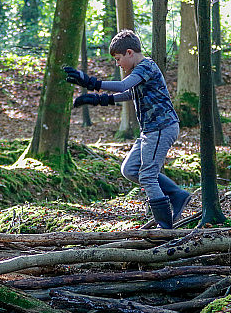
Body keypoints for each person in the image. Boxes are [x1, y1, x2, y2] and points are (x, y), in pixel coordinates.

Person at [63, 29, 191, 229]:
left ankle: (165, 226)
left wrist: (91, 82)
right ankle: (177, 194)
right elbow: (130, 93)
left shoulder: (146, 67)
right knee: (130, 169)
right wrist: (98, 99)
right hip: (150, 130)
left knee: (147, 175)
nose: (118, 64)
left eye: (119, 58)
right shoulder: (138, 72)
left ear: (130, 53)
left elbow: (124, 86)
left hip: (161, 127)